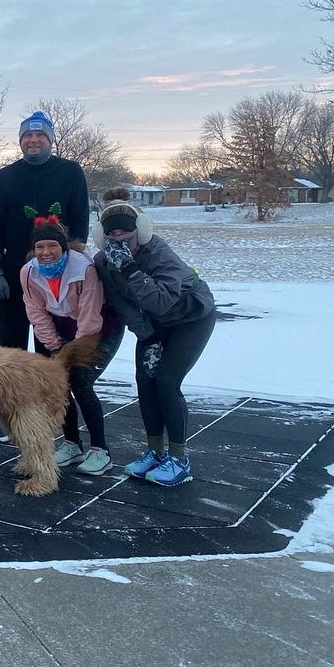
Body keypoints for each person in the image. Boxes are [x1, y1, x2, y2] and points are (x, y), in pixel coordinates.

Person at [92, 187, 216, 487]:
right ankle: (155, 451)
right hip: (153, 325)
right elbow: (120, 303)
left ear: (140, 233)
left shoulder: (159, 253)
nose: (119, 243)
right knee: (145, 382)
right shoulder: (103, 262)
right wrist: (147, 335)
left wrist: (132, 270)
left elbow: (161, 301)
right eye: (112, 238)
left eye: (126, 237)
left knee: (166, 382)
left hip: (191, 318)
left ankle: (179, 457)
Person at [21, 216, 123, 476]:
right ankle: (71, 444)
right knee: (56, 383)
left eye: (52, 246)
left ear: (63, 247)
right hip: (58, 328)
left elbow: (90, 316)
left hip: (98, 328)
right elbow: (36, 311)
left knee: (79, 381)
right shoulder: (29, 272)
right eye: (40, 247)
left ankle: (101, 450)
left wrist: (70, 352)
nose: (46, 253)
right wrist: (54, 345)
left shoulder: (83, 268)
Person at [0, 110, 90, 349]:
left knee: (52, 343)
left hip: (56, 271)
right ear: (21, 141)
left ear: (50, 140)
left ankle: (51, 386)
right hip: (15, 270)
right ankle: (14, 387)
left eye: (40, 134)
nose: (33, 139)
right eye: (28, 135)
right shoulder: (6, 176)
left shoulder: (70, 172)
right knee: (11, 348)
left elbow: (80, 221)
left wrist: (75, 266)